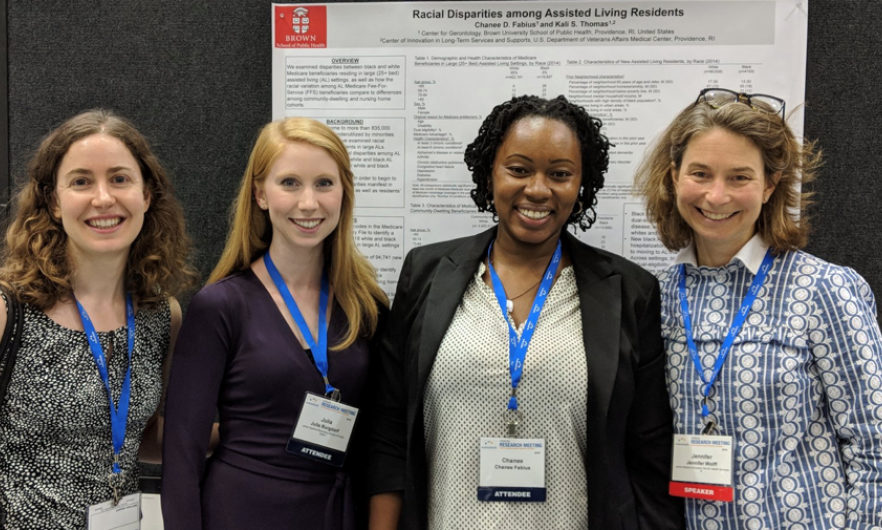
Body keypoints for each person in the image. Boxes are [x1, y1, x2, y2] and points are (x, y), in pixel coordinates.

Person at [368, 95, 684, 530]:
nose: (538, 189)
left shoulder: (630, 292)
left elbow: (648, 454)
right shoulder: (426, 274)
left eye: (560, 174)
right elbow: (389, 428)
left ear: (581, 183)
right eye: (518, 169)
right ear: (490, 173)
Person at [635, 88, 882, 529]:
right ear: (674, 177)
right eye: (700, 173)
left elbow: (873, 447)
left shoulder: (823, 290)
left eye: (739, 177)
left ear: (769, 185)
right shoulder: (659, 296)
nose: (716, 196)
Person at [161, 117, 388, 530]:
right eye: (289, 183)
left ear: (344, 193)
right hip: (240, 512)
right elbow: (182, 452)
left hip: (336, 513)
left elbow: (381, 440)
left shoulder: (365, 307)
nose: (308, 203)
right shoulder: (221, 307)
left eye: (324, 183)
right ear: (260, 194)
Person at [0, 109, 196, 529]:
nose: (103, 198)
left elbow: (138, 438)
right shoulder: (7, 312)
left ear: (147, 195)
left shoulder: (161, 316)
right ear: (53, 201)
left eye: (120, 178)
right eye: (82, 181)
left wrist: (255, 433)